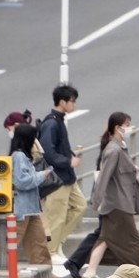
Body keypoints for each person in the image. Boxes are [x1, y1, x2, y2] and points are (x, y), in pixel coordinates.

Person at [81, 113, 139, 278]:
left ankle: (90, 273)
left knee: (105, 238)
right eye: (127, 124)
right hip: (118, 203)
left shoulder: (119, 147)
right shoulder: (114, 150)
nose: (130, 128)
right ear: (117, 127)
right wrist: (96, 201)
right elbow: (104, 177)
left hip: (118, 201)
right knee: (132, 239)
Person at [0, 125, 55, 271]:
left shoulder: (23, 156)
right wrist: (42, 175)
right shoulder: (19, 156)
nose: (35, 142)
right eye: (33, 139)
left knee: (39, 242)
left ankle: (45, 272)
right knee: (8, 244)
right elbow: (22, 181)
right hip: (21, 209)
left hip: (30, 209)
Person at [39, 84, 88, 260]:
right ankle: (51, 251)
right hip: (57, 178)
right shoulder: (52, 123)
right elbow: (48, 153)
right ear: (62, 102)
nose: (74, 105)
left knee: (80, 206)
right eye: (72, 101)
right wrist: (68, 161)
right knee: (56, 216)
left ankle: (57, 243)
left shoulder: (58, 120)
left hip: (66, 176)